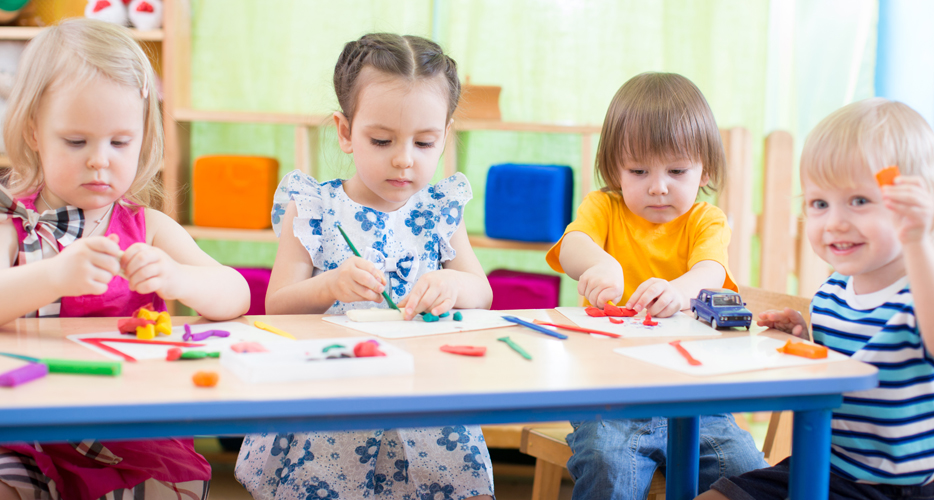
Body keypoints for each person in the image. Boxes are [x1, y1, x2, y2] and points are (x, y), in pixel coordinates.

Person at [234, 33, 494, 499]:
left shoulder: (439, 208)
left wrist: (453, 284)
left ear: (445, 135)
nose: (403, 159)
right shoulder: (313, 207)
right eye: (382, 139)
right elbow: (275, 306)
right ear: (345, 131)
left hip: (426, 403)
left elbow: (482, 291)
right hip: (331, 410)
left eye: (424, 142)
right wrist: (329, 284)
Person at [0, 18, 250, 500]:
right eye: (77, 142)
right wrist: (51, 276)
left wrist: (179, 278)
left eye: (119, 142)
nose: (100, 160)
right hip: (23, 424)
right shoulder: (13, 222)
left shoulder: (148, 227)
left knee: (165, 492)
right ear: (34, 133)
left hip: (126, 429)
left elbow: (235, 294)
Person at [698, 99, 934, 500]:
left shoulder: (928, 288)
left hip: (900, 489)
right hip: (827, 467)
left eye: (860, 201)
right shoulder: (832, 291)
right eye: (819, 204)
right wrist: (807, 343)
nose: (835, 222)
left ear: (918, 207)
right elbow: (841, 375)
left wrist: (916, 240)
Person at [546, 72, 768, 499]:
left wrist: (679, 290)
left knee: (746, 472)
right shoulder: (604, 207)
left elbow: (711, 272)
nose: (658, 185)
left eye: (677, 170)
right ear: (614, 169)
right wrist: (600, 262)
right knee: (608, 463)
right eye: (639, 169)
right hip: (610, 398)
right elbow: (573, 245)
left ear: (704, 168)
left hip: (698, 400)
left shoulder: (707, 219)